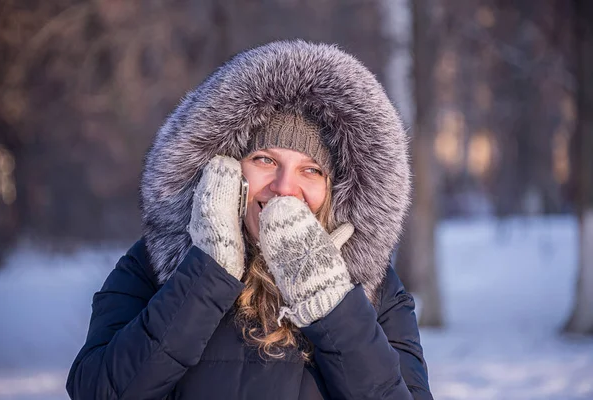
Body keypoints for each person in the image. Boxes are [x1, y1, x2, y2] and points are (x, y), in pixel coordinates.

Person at [66, 40, 432, 399]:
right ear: (224, 166)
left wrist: (331, 304)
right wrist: (207, 273)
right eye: (265, 160)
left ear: (337, 190)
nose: (285, 187)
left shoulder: (374, 291)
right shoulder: (152, 265)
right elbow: (98, 390)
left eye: (311, 170)